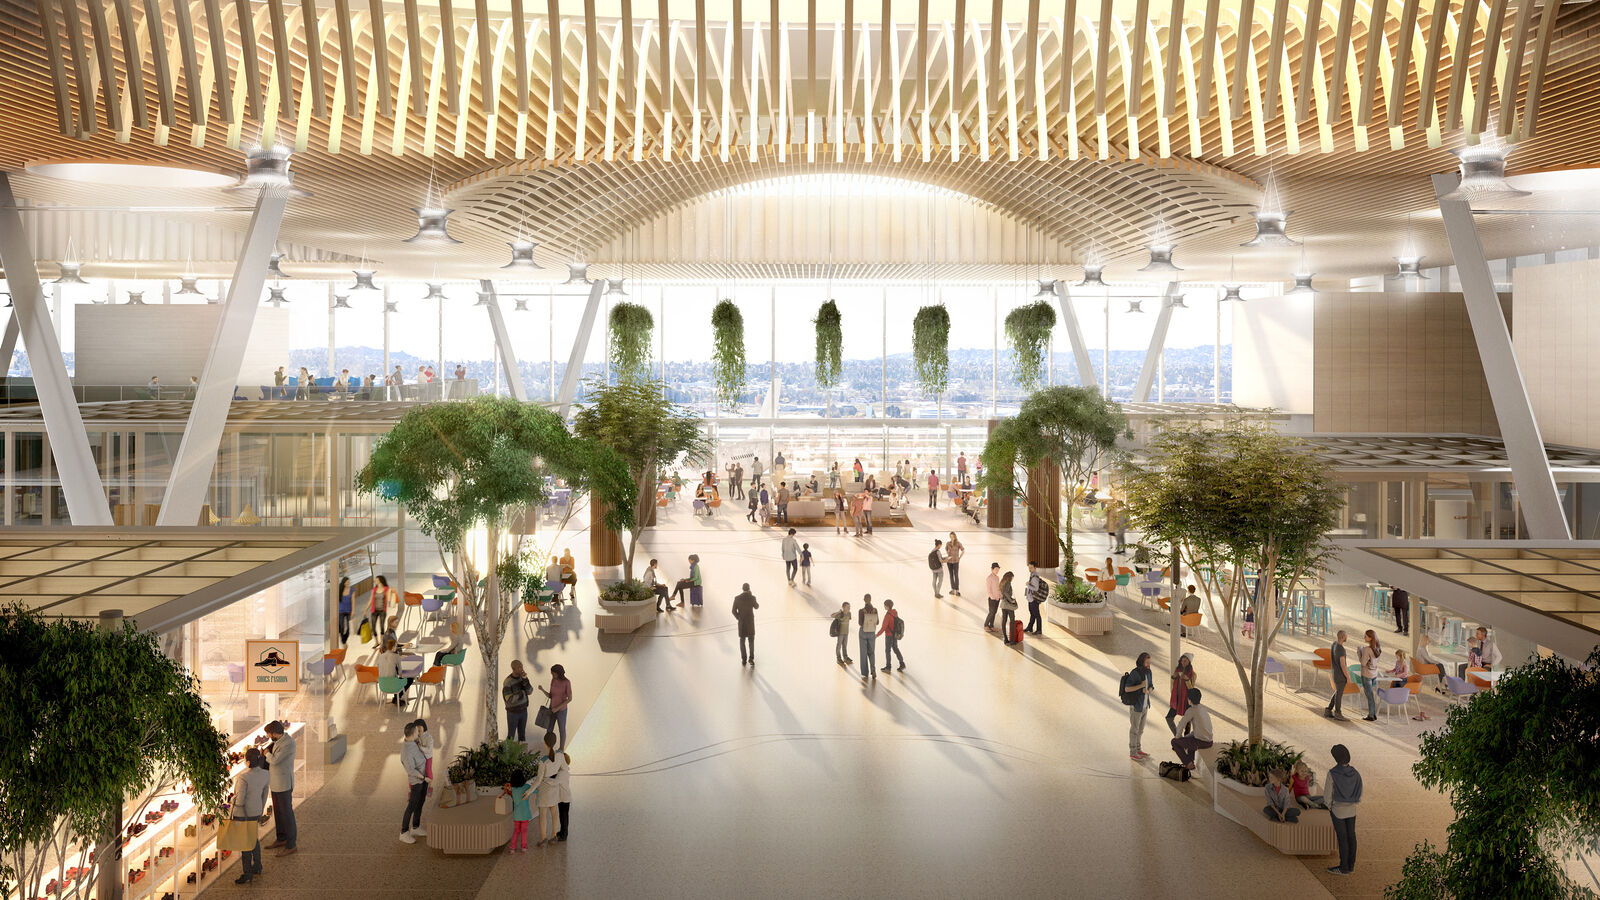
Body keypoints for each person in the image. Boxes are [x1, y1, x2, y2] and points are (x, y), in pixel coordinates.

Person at [230, 747, 271, 883]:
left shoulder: (243, 777)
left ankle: (247, 873)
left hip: (243, 814)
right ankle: (258, 865)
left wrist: (231, 800)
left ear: (247, 762)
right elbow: (264, 795)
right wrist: (259, 808)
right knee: (254, 839)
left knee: (245, 844)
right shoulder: (266, 774)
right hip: (256, 811)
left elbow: (240, 800)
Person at [1326, 744, 1363, 876]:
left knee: (1343, 839)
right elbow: (1360, 790)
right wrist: (1353, 802)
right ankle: (1351, 865)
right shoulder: (1355, 773)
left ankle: (1343, 867)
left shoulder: (1332, 773)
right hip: (1351, 810)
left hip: (1338, 810)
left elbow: (1327, 795)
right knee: (1351, 836)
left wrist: (1330, 807)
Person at [262, 721, 297, 856]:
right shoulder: (278, 740)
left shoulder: (288, 743)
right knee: (278, 812)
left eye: (268, 733)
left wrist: (266, 753)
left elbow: (275, 760)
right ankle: (281, 838)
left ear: (274, 733)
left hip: (283, 784)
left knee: (287, 814)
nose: (268, 736)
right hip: (276, 783)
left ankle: (291, 844)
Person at [534, 731, 572, 846]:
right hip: (557, 795)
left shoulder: (546, 762)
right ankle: (555, 836)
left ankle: (556, 836)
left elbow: (542, 780)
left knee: (553, 815)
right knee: (557, 814)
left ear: (545, 743)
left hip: (557, 795)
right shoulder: (560, 758)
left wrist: (547, 780)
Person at [398, 723, 430, 843]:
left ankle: (415, 827)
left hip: (423, 778)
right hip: (417, 781)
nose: (419, 733)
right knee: (411, 805)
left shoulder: (413, 742)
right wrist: (423, 778)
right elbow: (411, 769)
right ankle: (404, 832)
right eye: (417, 732)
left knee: (420, 802)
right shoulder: (406, 751)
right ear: (412, 734)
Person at [1122, 652, 1155, 760]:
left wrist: (1149, 690)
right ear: (1141, 662)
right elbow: (1127, 689)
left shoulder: (1149, 672)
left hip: (1145, 706)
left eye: (1149, 662)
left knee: (1140, 730)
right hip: (1136, 706)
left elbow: (1151, 686)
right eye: (1147, 663)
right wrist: (1141, 686)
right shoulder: (1135, 673)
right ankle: (1133, 751)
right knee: (1134, 730)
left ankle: (1138, 750)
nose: (1149, 665)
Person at [1170, 688, 1213, 770]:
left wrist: (1178, 737)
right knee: (1189, 740)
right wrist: (1185, 738)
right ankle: (1191, 761)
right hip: (1209, 741)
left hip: (1202, 742)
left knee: (1174, 742)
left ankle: (1188, 763)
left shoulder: (1191, 710)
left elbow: (1181, 725)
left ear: (1189, 700)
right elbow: (1200, 730)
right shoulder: (1203, 709)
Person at [539, 664, 572, 751]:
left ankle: (561, 749)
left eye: (553, 673)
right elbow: (551, 696)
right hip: (551, 709)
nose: (552, 675)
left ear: (558, 673)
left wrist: (557, 708)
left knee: (562, 729)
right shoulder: (553, 680)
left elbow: (570, 699)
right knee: (549, 729)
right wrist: (542, 690)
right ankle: (549, 749)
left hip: (561, 710)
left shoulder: (566, 682)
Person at [503, 660, 533, 742]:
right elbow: (509, 699)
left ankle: (522, 754)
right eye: (519, 667)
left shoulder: (523, 678)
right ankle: (508, 754)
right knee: (511, 736)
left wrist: (525, 680)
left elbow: (530, 691)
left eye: (522, 666)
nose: (522, 669)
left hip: (523, 711)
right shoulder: (508, 682)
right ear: (513, 669)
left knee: (522, 735)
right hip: (513, 713)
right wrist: (522, 693)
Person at [1166, 653, 1197, 735]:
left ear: (1189, 662)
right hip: (1176, 699)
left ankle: (1186, 740)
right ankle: (1178, 736)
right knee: (1169, 718)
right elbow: (1172, 685)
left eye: (1185, 661)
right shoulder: (1177, 671)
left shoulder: (1193, 674)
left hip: (1186, 700)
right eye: (1182, 661)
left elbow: (1191, 689)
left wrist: (1187, 680)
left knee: (1188, 721)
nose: (1183, 662)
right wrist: (1173, 677)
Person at [505, 772, 535, 853]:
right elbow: (535, 791)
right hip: (525, 814)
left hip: (516, 815)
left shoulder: (513, 789)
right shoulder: (526, 787)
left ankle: (512, 848)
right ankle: (523, 847)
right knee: (524, 830)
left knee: (516, 831)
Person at [1324, 630, 1350, 721]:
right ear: (1343, 637)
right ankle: (1338, 713)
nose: (1347, 637)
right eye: (1346, 636)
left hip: (1335, 673)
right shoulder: (1341, 649)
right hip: (1340, 675)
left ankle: (1328, 710)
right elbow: (1343, 665)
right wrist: (1348, 677)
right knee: (1339, 694)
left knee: (1337, 692)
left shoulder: (1334, 644)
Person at [377, 639, 411, 706]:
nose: (396, 648)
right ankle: (397, 698)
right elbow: (400, 673)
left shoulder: (380, 656)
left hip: (382, 685)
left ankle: (396, 698)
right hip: (393, 685)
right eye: (395, 646)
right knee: (410, 679)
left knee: (394, 677)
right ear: (393, 647)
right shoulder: (396, 656)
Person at [1357, 630, 1382, 722]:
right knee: (1371, 694)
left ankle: (1371, 715)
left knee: (1369, 695)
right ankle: (1373, 714)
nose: (1364, 638)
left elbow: (1363, 663)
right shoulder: (1378, 648)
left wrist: (1360, 652)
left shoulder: (1367, 649)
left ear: (1371, 638)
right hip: (1374, 674)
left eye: (1366, 636)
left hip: (1366, 674)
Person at [732, 583, 759, 665]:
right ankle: (751, 658)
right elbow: (757, 607)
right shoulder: (752, 597)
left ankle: (744, 659)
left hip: (742, 623)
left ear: (742, 589)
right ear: (749, 589)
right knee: (751, 641)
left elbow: (733, 611)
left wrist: (738, 618)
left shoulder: (737, 598)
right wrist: (752, 595)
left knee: (742, 640)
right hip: (750, 623)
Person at [877, 599, 904, 672]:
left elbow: (883, 628)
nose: (884, 606)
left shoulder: (888, 615)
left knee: (887, 651)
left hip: (889, 635)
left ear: (887, 606)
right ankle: (902, 663)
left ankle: (888, 667)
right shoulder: (895, 613)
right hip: (894, 635)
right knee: (895, 648)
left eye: (885, 605)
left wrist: (876, 635)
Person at [367, 575, 395, 644]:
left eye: (376, 580)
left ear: (380, 581)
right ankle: (376, 642)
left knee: (382, 626)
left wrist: (391, 592)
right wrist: (366, 609)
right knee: (373, 627)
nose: (375, 581)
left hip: (382, 611)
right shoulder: (374, 590)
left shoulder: (386, 589)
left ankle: (382, 642)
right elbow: (370, 600)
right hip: (374, 610)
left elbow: (388, 600)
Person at [858, 596, 879, 679]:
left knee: (863, 653)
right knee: (872, 652)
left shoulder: (861, 611)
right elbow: (877, 622)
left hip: (863, 632)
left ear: (864, 600)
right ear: (870, 599)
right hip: (872, 633)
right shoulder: (875, 610)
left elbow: (860, 623)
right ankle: (873, 670)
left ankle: (865, 673)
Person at [1024, 561, 1048, 634]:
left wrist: (1028, 585)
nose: (1029, 569)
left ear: (1035, 568)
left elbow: (1036, 588)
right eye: (1029, 567)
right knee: (1032, 613)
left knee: (1037, 615)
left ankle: (1039, 630)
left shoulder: (1035, 577)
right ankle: (1030, 627)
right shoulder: (1032, 575)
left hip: (1034, 599)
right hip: (1031, 598)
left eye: (1031, 568)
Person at [999, 571, 1019, 644]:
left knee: (1004, 621)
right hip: (1008, 605)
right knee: (1012, 621)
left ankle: (1005, 639)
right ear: (1010, 577)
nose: (1012, 579)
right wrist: (1011, 600)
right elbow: (1006, 593)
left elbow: (1002, 593)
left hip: (1003, 605)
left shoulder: (1002, 583)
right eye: (1012, 578)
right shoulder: (1008, 583)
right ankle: (1012, 641)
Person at [831, 601, 853, 666]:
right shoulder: (840, 614)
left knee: (845, 645)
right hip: (840, 633)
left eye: (849, 607)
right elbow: (832, 615)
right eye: (847, 607)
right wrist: (838, 612)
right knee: (839, 646)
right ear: (843, 607)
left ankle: (845, 658)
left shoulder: (849, 614)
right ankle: (838, 658)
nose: (849, 608)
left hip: (846, 632)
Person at [945, 532, 964, 597]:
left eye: (953, 536)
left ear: (955, 537)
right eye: (951, 536)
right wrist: (948, 554)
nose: (952, 538)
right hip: (949, 562)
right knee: (951, 575)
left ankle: (957, 590)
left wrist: (959, 557)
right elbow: (946, 549)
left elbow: (963, 550)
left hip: (956, 561)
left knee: (956, 575)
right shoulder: (948, 543)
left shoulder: (958, 543)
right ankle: (953, 589)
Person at [984, 563, 1001, 632]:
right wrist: (992, 597)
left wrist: (1000, 595)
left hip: (997, 598)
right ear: (992, 569)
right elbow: (988, 589)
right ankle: (986, 625)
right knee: (991, 612)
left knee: (994, 612)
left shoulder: (997, 578)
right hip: (992, 599)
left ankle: (991, 626)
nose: (997, 571)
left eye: (998, 570)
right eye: (996, 569)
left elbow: (998, 588)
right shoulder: (989, 578)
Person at [336, 576, 353, 645]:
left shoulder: (352, 590)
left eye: (349, 581)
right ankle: (343, 641)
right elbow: (337, 602)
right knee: (342, 627)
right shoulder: (339, 590)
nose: (348, 583)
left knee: (349, 628)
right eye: (347, 581)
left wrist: (353, 610)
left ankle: (344, 639)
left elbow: (353, 601)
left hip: (349, 611)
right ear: (344, 582)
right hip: (341, 611)